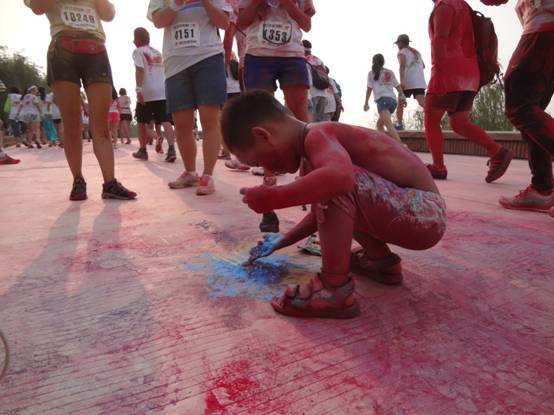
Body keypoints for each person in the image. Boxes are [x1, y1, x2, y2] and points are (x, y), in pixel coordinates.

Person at [221, 91, 447, 318]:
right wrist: (282, 241)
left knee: (334, 183)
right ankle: (380, 260)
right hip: (421, 214)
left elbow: (340, 181)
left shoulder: (317, 134)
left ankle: (333, 289)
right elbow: (325, 215)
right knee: (330, 185)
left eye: (259, 161)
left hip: (424, 212)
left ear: (263, 136)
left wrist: (273, 198)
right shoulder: (317, 150)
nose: (267, 170)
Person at [25, 0, 136, 201]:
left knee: (101, 124)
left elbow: (109, 14)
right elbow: (37, 7)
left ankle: (109, 182)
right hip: (63, 48)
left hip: (96, 49)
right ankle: (78, 180)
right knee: (72, 123)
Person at [237, 0, 315, 232]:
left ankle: (311, 187)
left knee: (301, 118)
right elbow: (241, 21)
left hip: (292, 55)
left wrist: (289, 4)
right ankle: (268, 198)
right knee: (262, 121)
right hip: (258, 55)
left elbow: (307, 24)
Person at [424, 0, 513, 182]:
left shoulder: (444, 6)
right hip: (470, 74)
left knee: (431, 117)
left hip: (449, 71)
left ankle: (438, 166)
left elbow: (440, 40)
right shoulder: (462, 5)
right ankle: (497, 151)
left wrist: (439, 75)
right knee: (459, 122)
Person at [147, 1, 231, 194]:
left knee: (209, 119)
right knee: (182, 123)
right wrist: (176, 4)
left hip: (208, 57)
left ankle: (208, 176)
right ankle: (190, 172)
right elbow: (158, 21)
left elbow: (224, 23)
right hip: (176, 62)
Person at [483, 0, 554, 218]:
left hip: (544, 27)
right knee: (531, 110)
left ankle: (542, 187)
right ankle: (542, 188)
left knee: (519, 104)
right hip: (544, 29)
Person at [131, 27, 177, 163]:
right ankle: (171, 148)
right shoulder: (157, 52)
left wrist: (138, 89)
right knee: (165, 120)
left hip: (147, 91)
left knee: (141, 121)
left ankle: (143, 150)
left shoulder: (138, 51)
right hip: (162, 90)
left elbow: (140, 69)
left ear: (137, 40)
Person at [363, 54, 406, 143]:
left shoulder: (371, 73)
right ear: (383, 62)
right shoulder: (389, 72)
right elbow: (397, 86)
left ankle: (401, 145)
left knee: (389, 125)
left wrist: (366, 102)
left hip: (383, 101)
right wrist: (403, 97)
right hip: (393, 102)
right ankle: (383, 144)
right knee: (379, 125)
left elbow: (369, 89)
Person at [394, 34, 427, 130]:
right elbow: (423, 66)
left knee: (400, 101)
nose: (397, 46)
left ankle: (399, 124)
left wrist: (401, 82)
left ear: (400, 43)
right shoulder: (417, 52)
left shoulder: (402, 52)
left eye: (397, 43)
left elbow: (402, 66)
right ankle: (431, 122)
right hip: (420, 82)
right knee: (423, 103)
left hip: (408, 81)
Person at [303, 39, 328, 123]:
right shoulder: (318, 59)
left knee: (311, 121)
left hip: (312, 93)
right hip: (323, 93)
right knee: (320, 121)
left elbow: (307, 78)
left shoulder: (304, 59)